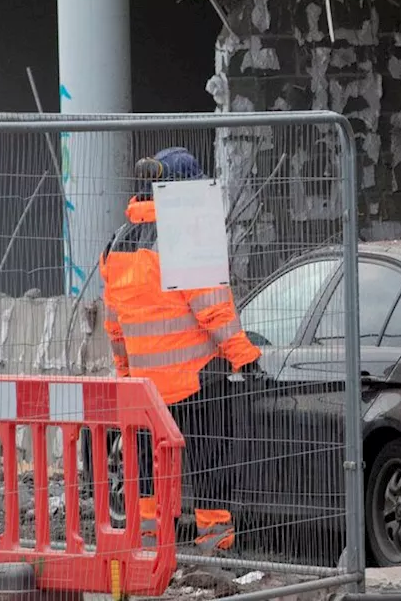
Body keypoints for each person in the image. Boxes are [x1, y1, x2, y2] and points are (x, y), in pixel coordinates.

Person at [99, 146, 264, 552]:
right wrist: (245, 356)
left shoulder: (118, 241)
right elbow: (213, 309)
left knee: (152, 463)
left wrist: (124, 372)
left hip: (144, 383)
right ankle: (214, 535)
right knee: (210, 456)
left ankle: (153, 538)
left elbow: (114, 319)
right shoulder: (185, 236)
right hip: (194, 376)